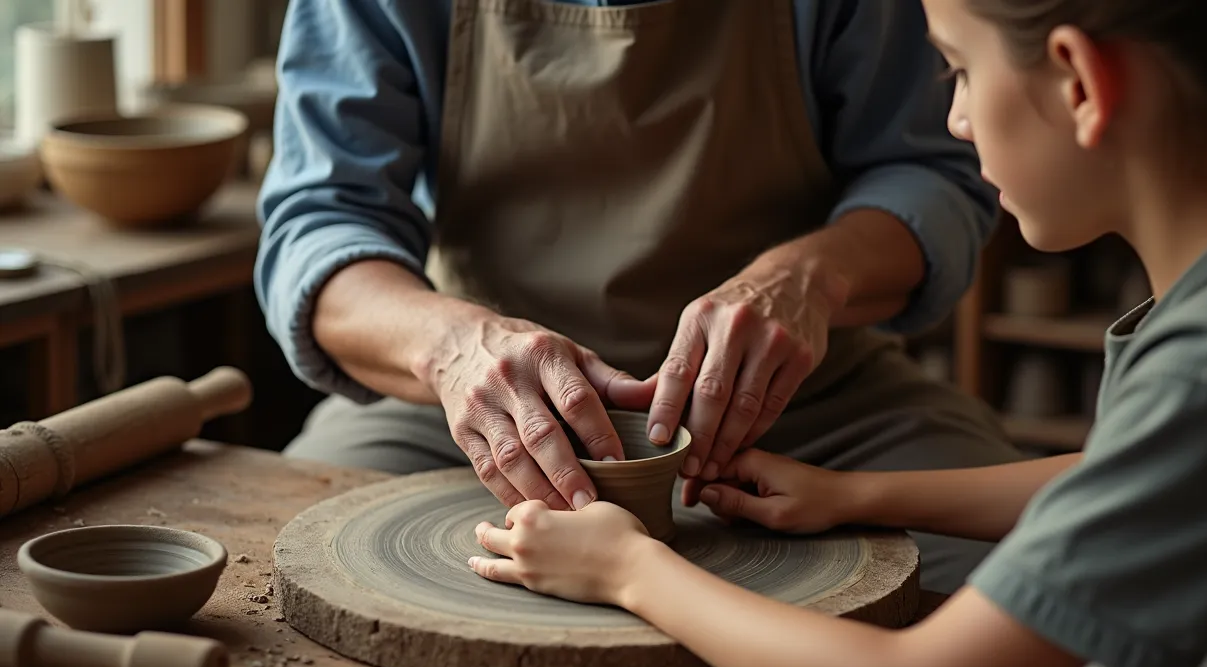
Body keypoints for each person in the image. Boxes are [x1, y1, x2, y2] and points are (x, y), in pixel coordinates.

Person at [464, 0, 1207, 667]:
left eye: (962, 71)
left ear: (1079, 84)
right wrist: (854, 496)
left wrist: (630, 570)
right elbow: (1137, 479)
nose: (957, 120)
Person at [256, 0, 1024, 595]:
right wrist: (455, 349)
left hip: (814, 408)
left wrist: (808, 278)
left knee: (1027, 585)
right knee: (285, 569)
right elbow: (319, 226)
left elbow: (936, 176)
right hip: (470, 411)